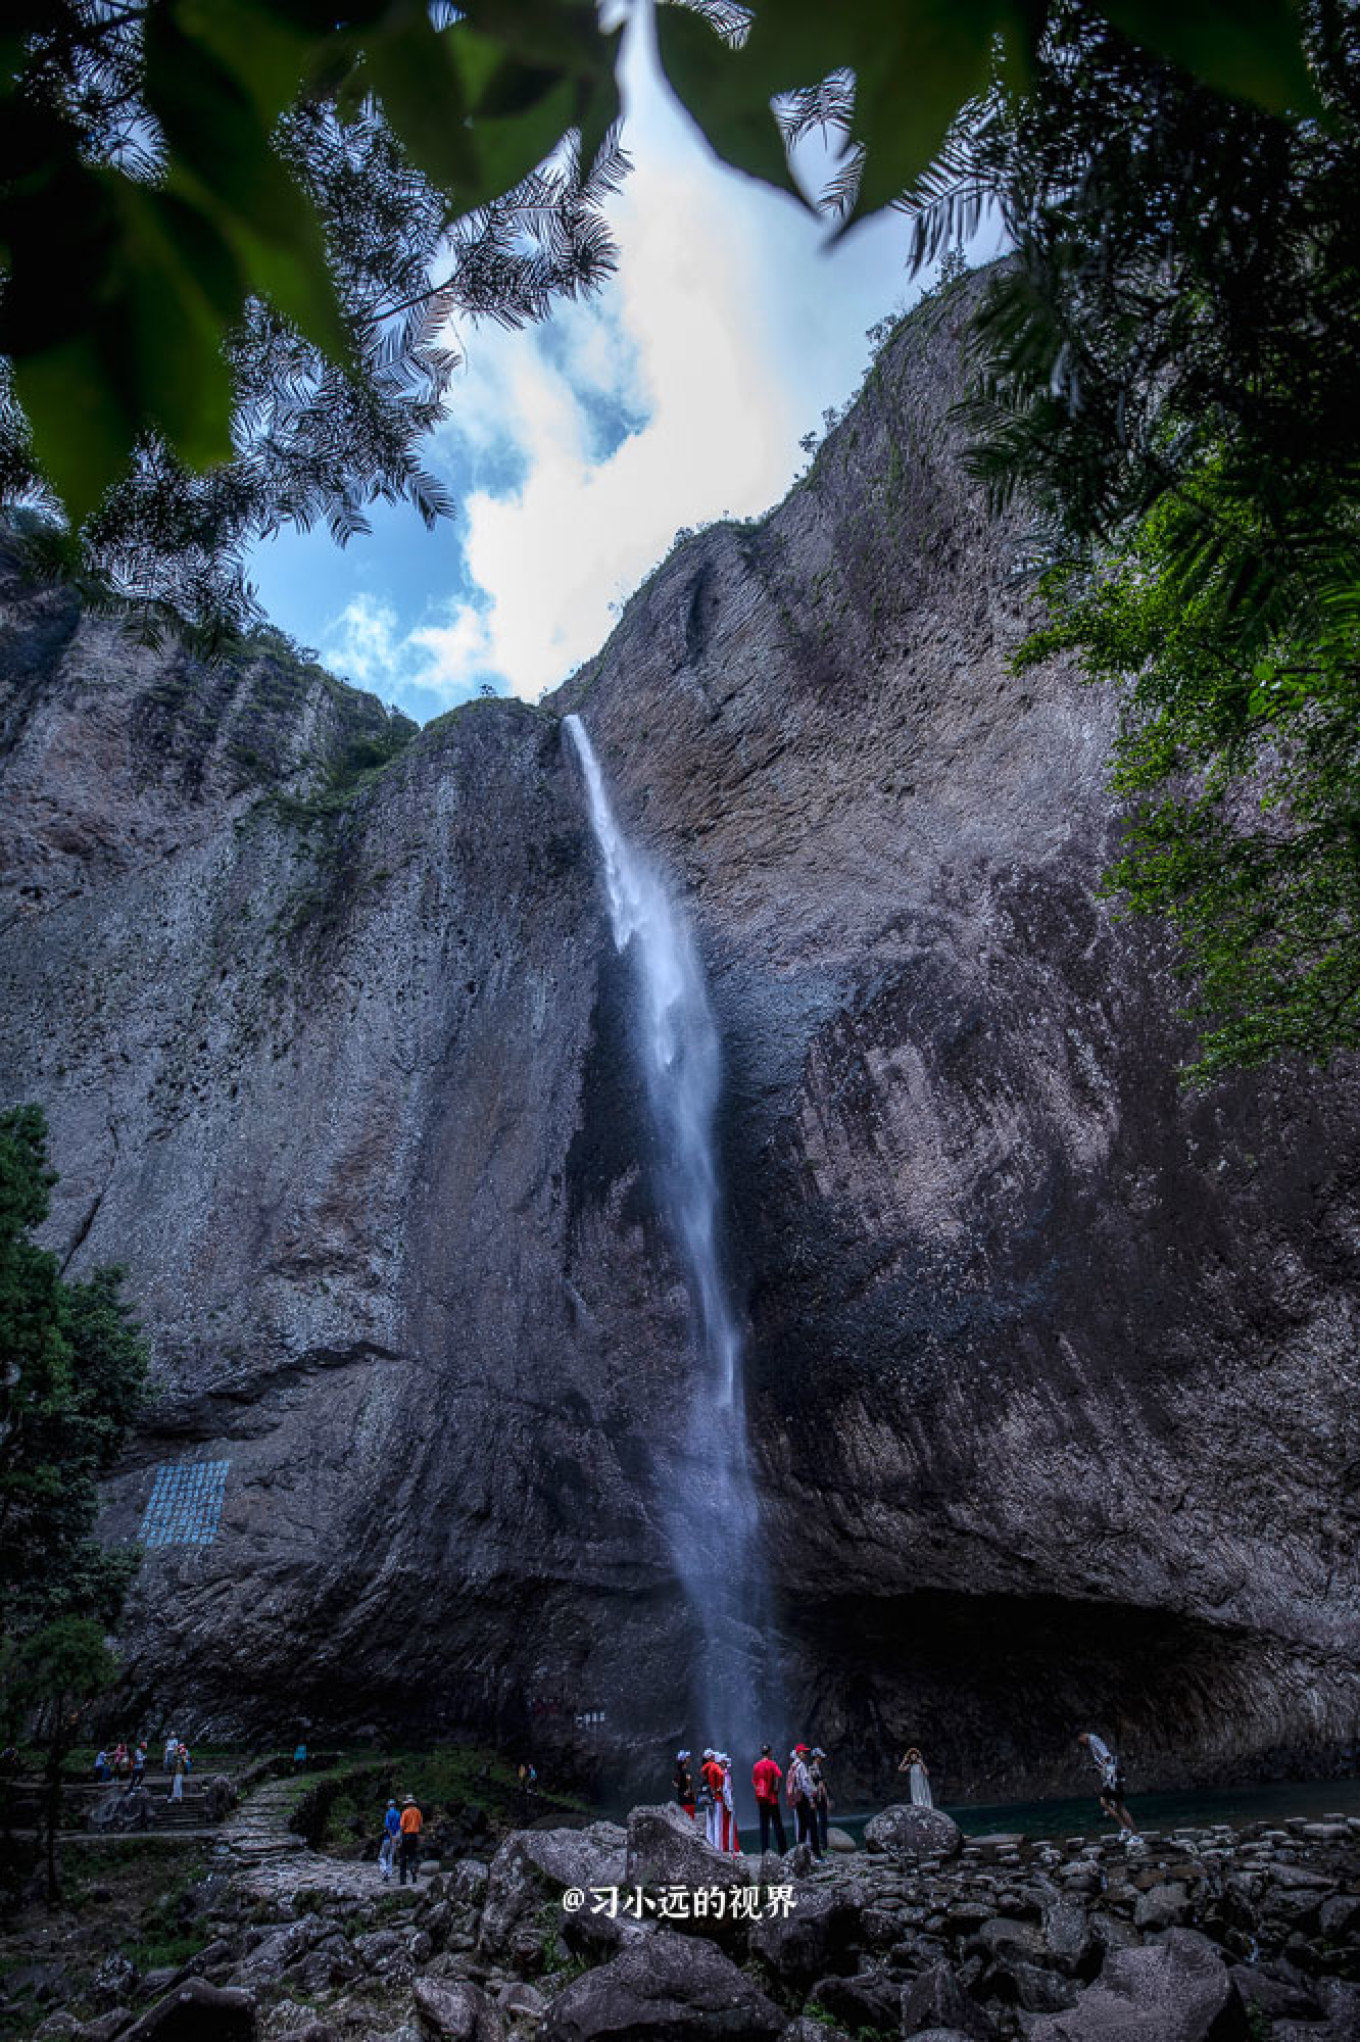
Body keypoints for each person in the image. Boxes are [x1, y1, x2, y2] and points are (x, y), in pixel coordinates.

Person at [1077, 1731, 1138, 1839]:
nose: (1082, 1744)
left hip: (1112, 1776)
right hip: (1111, 1775)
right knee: (1117, 1805)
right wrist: (1097, 1767)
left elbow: (1107, 1757)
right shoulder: (1092, 1741)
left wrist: (1101, 1767)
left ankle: (1131, 1832)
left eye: (1080, 1741)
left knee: (1109, 1803)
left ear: (1082, 1735)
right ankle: (1128, 1830)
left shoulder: (1093, 1740)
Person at [786, 1746, 823, 1859]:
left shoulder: (793, 1765)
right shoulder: (801, 1766)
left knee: (802, 1825)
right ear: (798, 1753)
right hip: (804, 1798)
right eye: (804, 1752)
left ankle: (800, 1852)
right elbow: (805, 1784)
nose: (806, 1754)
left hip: (797, 1799)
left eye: (806, 1752)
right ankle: (817, 1854)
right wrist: (811, 1800)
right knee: (812, 1826)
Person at [752, 1744, 787, 1855]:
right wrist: (776, 1789)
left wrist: (760, 1792)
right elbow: (779, 1776)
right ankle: (783, 1851)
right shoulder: (772, 1764)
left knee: (764, 1826)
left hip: (762, 1800)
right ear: (770, 1752)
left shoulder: (756, 1766)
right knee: (777, 1825)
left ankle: (765, 1851)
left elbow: (754, 1782)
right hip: (772, 1799)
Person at [700, 1749, 725, 1851]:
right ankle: (718, 1847)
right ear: (710, 1757)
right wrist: (719, 1787)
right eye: (713, 1755)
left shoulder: (704, 1767)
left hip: (707, 1796)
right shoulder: (714, 1766)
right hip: (716, 1797)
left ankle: (709, 1844)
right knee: (717, 1822)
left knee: (709, 1821)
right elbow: (721, 1774)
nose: (714, 1757)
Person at [397, 1795, 423, 1884]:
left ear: (407, 1804)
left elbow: (402, 1826)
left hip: (406, 1835)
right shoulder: (417, 1811)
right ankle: (414, 1875)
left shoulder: (405, 1812)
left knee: (403, 1857)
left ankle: (403, 1880)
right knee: (413, 1856)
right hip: (414, 1836)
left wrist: (399, 1839)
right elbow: (420, 1824)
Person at [810, 1747, 831, 1853]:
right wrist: (826, 1799)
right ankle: (823, 1846)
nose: (821, 1759)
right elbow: (819, 1785)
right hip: (819, 1798)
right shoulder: (813, 1769)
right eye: (820, 1757)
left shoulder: (815, 1768)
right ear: (816, 1757)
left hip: (818, 1798)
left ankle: (824, 1845)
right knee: (822, 1821)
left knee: (823, 1821)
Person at [379, 1798, 401, 1879]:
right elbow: (400, 1828)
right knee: (391, 1855)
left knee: (382, 1856)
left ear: (388, 1805)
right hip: (395, 1837)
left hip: (388, 1838)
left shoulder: (388, 1813)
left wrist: (391, 1836)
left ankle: (384, 1870)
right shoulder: (398, 1814)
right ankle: (390, 1873)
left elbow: (388, 1826)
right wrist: (398, 1839)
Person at [673, 1750, 696, 1819]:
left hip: (682, 1799)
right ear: (684, 1760)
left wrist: (681, 1788)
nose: (689, 1759)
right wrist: (687, 1791)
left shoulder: (679, 1772)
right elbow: (689, 1783)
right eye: (687, 1757)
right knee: (689, 1818)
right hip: (687, 1801)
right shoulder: (685, 1771)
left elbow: (674, 1782)